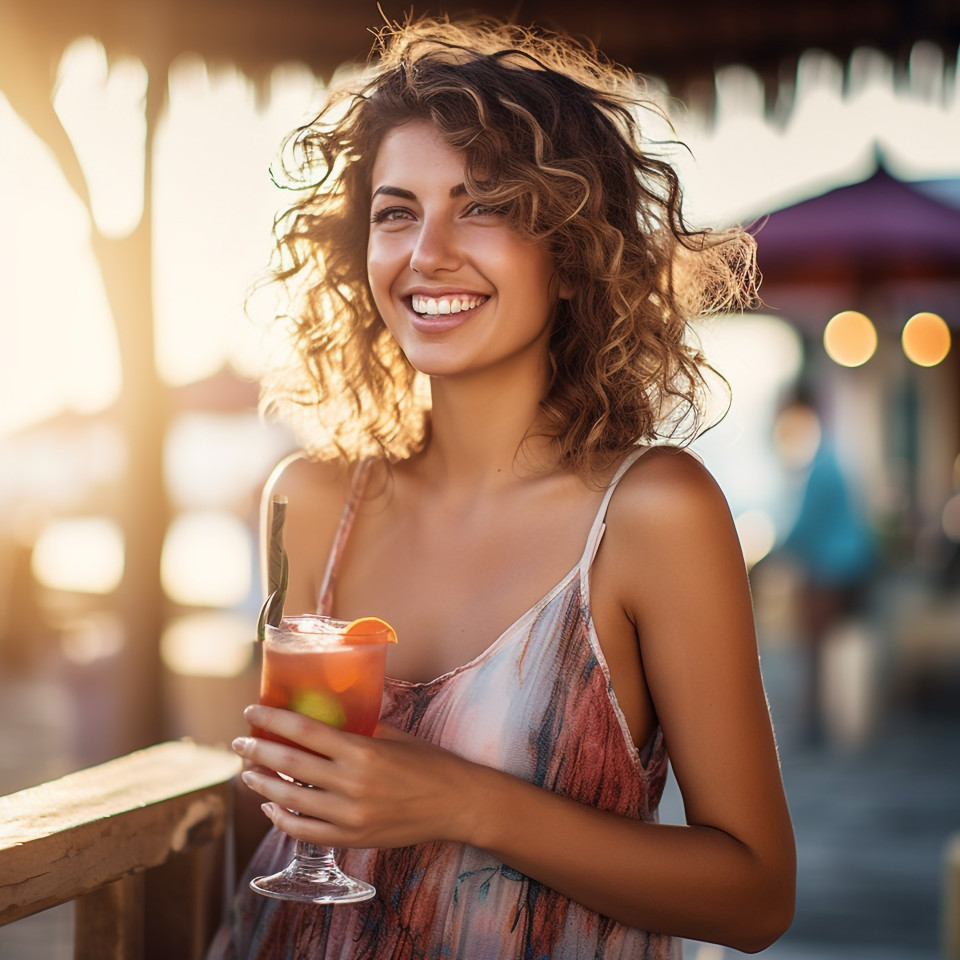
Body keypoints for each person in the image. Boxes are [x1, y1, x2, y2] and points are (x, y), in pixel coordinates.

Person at [209, 15, 795, 959]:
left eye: (483, 206)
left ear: (571, 255)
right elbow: (273, 810)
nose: (427, 251)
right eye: (396, 212)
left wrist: (461, 801)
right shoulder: (311, 500)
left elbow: (757, 896)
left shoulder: (652, 515)